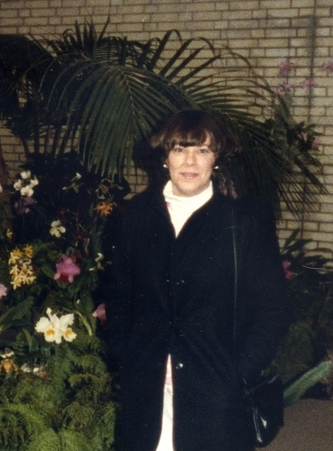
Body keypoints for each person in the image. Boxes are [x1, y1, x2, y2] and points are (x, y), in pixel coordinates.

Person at [105, 109, 291, 451]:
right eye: (179, 149)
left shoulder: (242, 223)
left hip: (215, 391)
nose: (190, 161)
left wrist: (237, 373)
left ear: (216, 159)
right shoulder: (135, 216)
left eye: (202, 150)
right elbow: (118, 295)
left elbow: (272, 308)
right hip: (146, 387)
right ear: (165, 157)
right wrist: (126, 356)